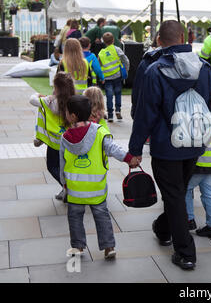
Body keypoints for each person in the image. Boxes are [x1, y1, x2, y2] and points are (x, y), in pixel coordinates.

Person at [128, 20, 211, 271]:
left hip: (166, 145)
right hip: (195, 142)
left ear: (158, 40)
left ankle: (186, 252)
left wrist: (135, 150)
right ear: (183, 36)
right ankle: (162, 228)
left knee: (175, 195)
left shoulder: (154, 71)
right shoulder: (204, 69)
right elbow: (209, 105)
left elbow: (146, 114)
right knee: (176, 193)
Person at [60, 95, 140, 259]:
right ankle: (108, 247)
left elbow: (62, 162)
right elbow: (113, 149)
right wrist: (129, 158)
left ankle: (78, 247)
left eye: (67, 112)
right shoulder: (100, 132)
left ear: (73, 116)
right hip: (97, 188)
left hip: (75, 190)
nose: (65, 114)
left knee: (75, 218)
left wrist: (64, 183)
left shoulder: (65, 138)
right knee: (102, 216)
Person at [30, 72, 75, 201]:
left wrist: (38, 94)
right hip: (70, 141)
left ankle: (68, 189)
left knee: (52, 167)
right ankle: (66, 189)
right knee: (65, 167)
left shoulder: (48, 101)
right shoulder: (74, 101)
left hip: (54, 142)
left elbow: (32, 100)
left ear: (57, 88)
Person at [184, 129, 211, 238]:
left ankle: (189, 220)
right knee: (208, 193)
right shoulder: (209, 119)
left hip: (199, 163)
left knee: (186, 189)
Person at [98, 32, 130, 122]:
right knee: (118, 92)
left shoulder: (101, 53)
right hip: (117, 75)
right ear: (113, 40)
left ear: (103, 41)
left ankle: (110, 115)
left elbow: (99, 66)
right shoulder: (117, 49)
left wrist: (101, 77)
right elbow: (125, 60)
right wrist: (126, 69)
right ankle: (118, 110)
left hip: (107, 77)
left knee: (109, 95)